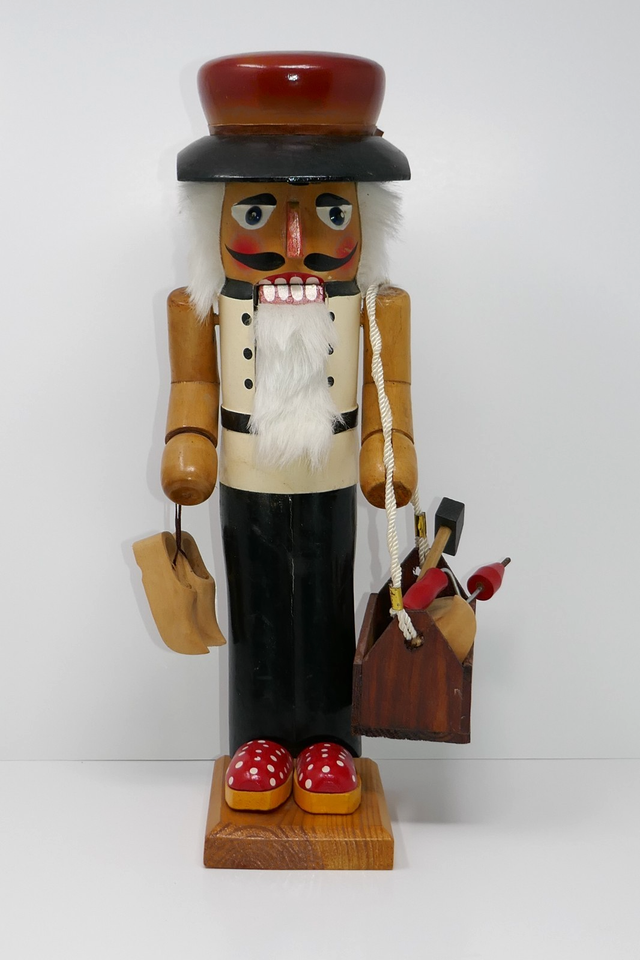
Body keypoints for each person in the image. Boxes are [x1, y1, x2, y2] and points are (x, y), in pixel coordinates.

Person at [161, 52, 417, 814]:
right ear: (216, 217)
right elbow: (193, 387)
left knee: (329, 602)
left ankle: (333, 739)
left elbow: (391, 392)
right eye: (258, 212)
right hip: (247, 476)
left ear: (366, 217)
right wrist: (189, 441)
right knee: (257, 604)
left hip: (331, 473)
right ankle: (260, 737)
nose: (296, 243)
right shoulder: (202, 308)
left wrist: (390, 449)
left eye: (332, 213)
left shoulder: (377, 307)